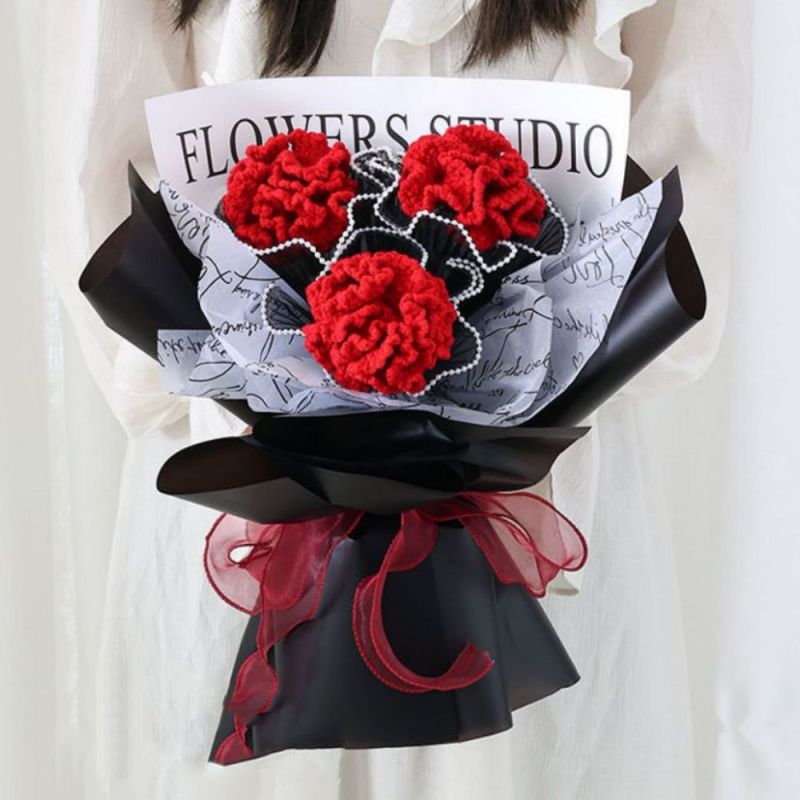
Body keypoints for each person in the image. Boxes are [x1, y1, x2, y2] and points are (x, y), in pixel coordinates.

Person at [44, 2, 749, 798]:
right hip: (256, 479)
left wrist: (506, 369)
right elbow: (103, 179)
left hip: (529, 487)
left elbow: (689, 182)